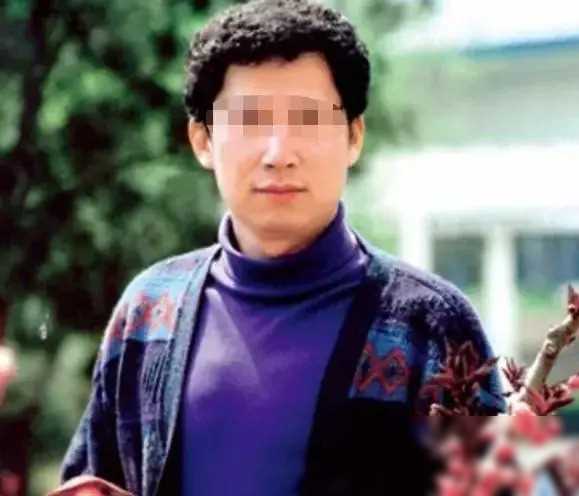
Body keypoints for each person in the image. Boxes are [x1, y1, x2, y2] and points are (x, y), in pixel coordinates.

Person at [59, 0, 505, 495]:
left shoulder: (430, 325)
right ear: (203, 140)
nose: (278, 154)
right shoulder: (148, 313)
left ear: (353, 136)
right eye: (249, 122)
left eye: (308, 120)